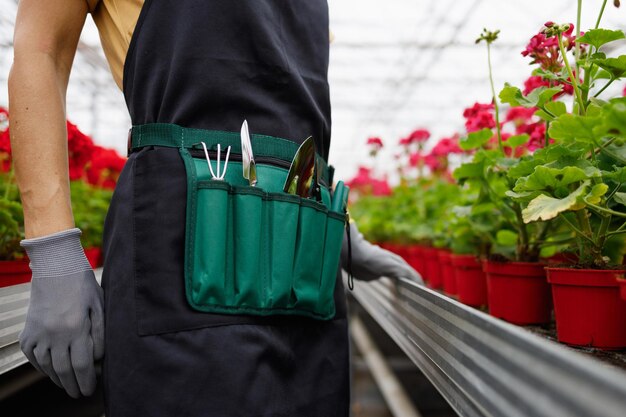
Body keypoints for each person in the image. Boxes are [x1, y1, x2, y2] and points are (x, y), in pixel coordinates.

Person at [9, 1, 422, 415]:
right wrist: (53, 251)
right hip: (183, 254)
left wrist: (338, 224)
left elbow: (288, 119)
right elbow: (41, 50)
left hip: (304, 260)